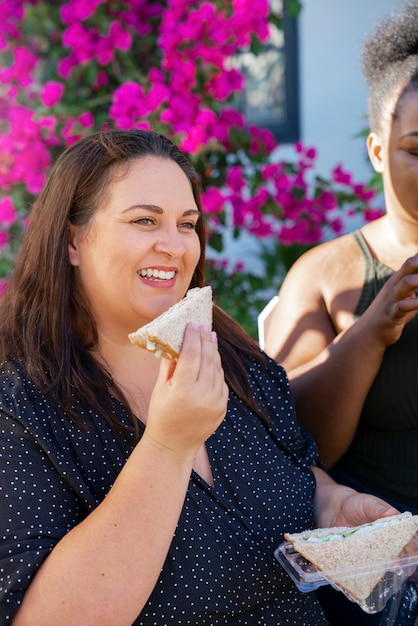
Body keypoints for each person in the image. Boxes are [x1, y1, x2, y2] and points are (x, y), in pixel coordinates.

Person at [0, 128, 397, 626]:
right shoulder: (20, 412)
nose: (174, 246)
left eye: (187, 224)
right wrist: (168, 445)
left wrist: (336, 509)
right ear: (72, 240)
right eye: (145, 221)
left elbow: (302, 474)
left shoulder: (234, 362)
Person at [264, 3, 418, 625]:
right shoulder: (326, 275)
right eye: (417, 148)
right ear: (379, 151)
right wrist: (372, 332)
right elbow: (295, 444)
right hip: (383, 576)